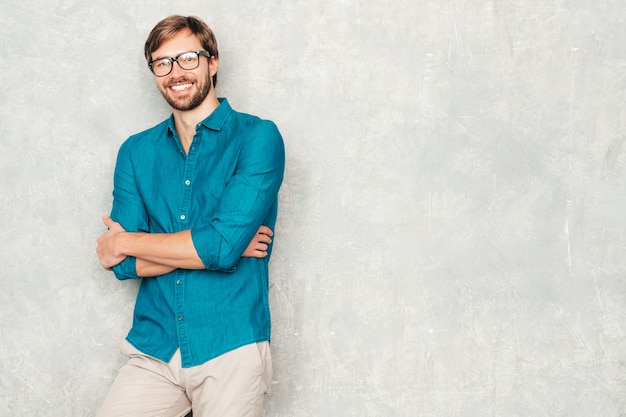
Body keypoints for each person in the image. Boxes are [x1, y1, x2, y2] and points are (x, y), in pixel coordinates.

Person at [95, 15, 285, 417]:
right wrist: (214, 246)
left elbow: (217, 247)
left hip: (229, 344)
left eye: (187, 58)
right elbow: (123, 267)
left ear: (212, 62)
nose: (175, 72)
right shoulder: (135, 151)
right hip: (156, 345)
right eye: (162, 62)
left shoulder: (258, 137)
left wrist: (125, 240)